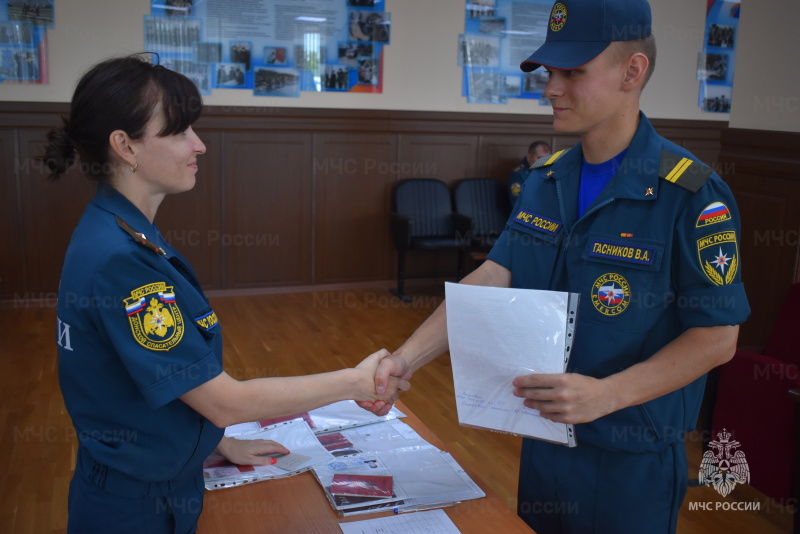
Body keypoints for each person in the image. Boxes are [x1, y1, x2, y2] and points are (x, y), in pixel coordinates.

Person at [360, 1, 750, 532]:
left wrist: (606, 393)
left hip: (628, 459)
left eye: (574, 73)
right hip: (544, 441)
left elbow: (718, 336)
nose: (551, 89)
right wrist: (407, 357)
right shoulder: (546, 181)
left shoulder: (691, 194)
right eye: (549, 73)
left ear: (632, 72)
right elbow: (494, 276)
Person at [45, 55, 407, 534]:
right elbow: (225, 402)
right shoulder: (122, 259)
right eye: (179, 131)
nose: (199, 145)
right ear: (125, 146)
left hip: (154, 476)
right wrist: (356, 383)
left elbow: (142, 379)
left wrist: (215, 445)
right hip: (134, 504)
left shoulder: (117, 230)